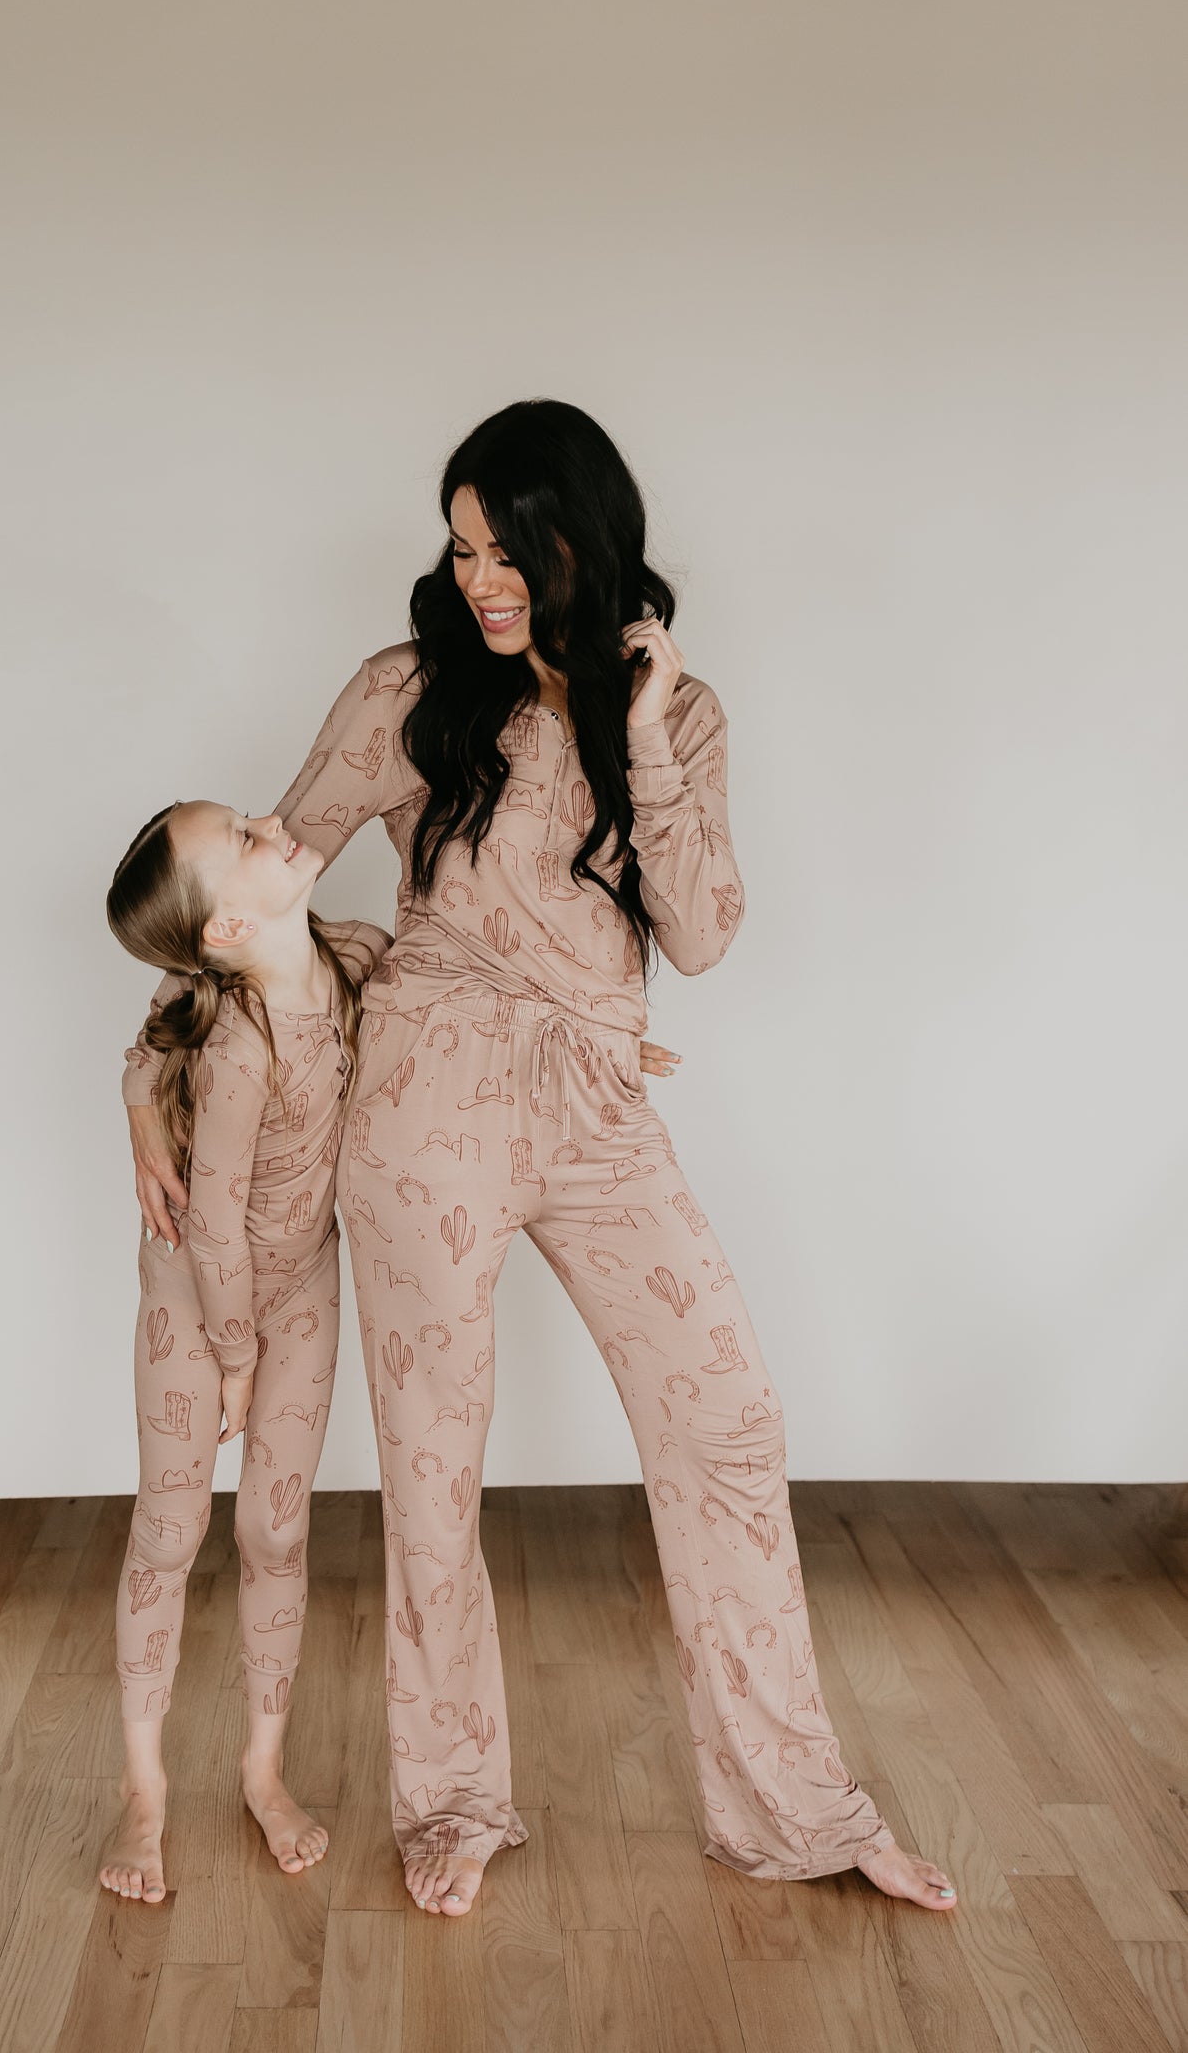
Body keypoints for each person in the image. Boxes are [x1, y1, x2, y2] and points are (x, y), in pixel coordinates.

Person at [128, 398, 957, 1921]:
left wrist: (638, 740)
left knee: (726, 1422)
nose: (481, 578)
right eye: (460, 548)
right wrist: (144, 1084)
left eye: (506, 546)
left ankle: (793, 1809)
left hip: (593, 1104)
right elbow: (254, 903)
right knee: (437, 1469)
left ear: (589, 536)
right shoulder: (407, 689)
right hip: (425, 1098)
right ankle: (451, 1801)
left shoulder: (682, 717)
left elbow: (700, 939)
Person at [99, 795, 390, 1900]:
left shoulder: (350, 955)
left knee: (274, 1526)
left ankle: (261, 1767)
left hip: (300, 1285)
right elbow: (211, 1220)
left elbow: (464, 999)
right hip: (197, 1300)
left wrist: (582, 1034)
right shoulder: (233, 1045)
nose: (275, 820)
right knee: (170, 1530)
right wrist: (230, 1354)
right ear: (223, 928)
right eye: (244, 838)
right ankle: (143, 1788)